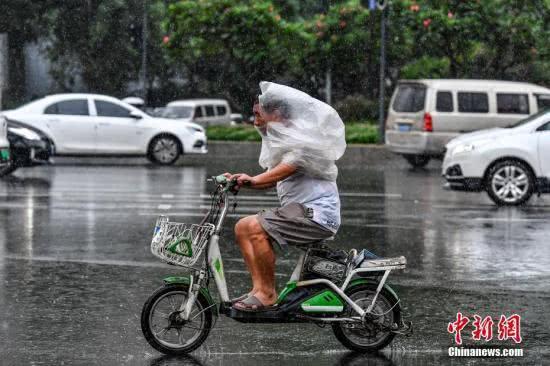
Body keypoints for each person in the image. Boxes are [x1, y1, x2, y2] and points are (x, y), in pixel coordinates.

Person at [224, 81, 346, 311]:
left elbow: (289, 167)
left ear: (276, 114)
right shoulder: (286, 142)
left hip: (316, 215)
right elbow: (271, 179)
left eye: (258, 114)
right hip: (300, 212)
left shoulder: (303, 142)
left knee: (255, 227)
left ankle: (268, 294)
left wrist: (255, 179)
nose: (255, 120)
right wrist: (242, 180)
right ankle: (258, 290)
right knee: (242, 227)